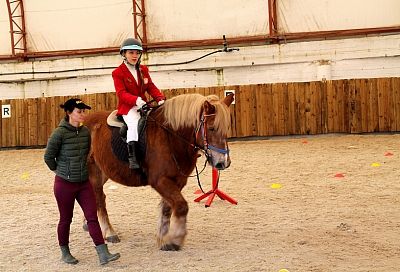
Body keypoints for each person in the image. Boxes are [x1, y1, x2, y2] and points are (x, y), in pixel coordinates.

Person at [44, 98, 120, 265]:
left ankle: (103, 253)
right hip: (64, 184)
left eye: (84, 111)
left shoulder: (85, 132)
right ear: (69, 113)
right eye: (79, 112)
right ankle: (65, 252)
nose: (83, 114)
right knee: (66, 219)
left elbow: (87, 152)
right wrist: (60, 171)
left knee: (92, 217)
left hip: (83, 183)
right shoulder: (59, 133)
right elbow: (48, 157)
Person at [112, 38, 165, 169]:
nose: (135, 56)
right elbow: (121, 93)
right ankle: (133, 158)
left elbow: (150, 86)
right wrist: (136, 100)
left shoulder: (143, 70)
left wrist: (160, 98)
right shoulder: (117, 73)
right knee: (133, 124)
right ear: (124, 54)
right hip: (128, 107)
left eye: (137, 53)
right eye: (131, 53)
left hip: (144, 104)